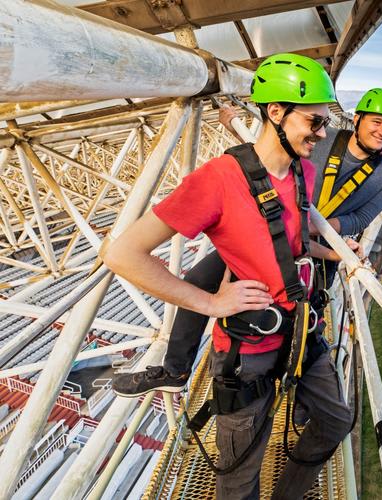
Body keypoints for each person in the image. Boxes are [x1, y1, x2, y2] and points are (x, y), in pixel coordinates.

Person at [102, 53, 358, 499]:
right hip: (249, 350)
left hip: (299, 332)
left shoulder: (303, 170)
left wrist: (339, 254)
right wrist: (210, 304)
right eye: (315, 122)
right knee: (240, 474)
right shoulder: (218, 180)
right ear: (276, 112)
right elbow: (123, 253)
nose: (321, 135)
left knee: (336, 420)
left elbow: (290, 245)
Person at [112, 87, 382, 396]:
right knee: (200, 278)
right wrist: (237, 132)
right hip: (272, 226)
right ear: (357, 119)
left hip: (315, 239)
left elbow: (363, 216)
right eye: (376, 122)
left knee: (308, 314)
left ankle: (304, 392)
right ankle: (177, 369)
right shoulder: (323, 136)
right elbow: (272, 159)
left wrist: (311, 228)